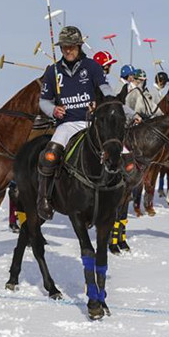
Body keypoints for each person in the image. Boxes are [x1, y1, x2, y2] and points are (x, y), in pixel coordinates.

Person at [36, 26, 138, 220]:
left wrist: (128, 112)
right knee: (49, 156)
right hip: (67, 124)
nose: (68, 50)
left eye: (72, 46)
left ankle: (119, 196)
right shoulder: (53, 71)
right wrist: (53, 110)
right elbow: (44, 101)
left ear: (79, 46)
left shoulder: (92, 67)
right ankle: (44, 199)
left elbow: (107, 92)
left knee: (126, 159)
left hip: (93, 124)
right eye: (64, 47)